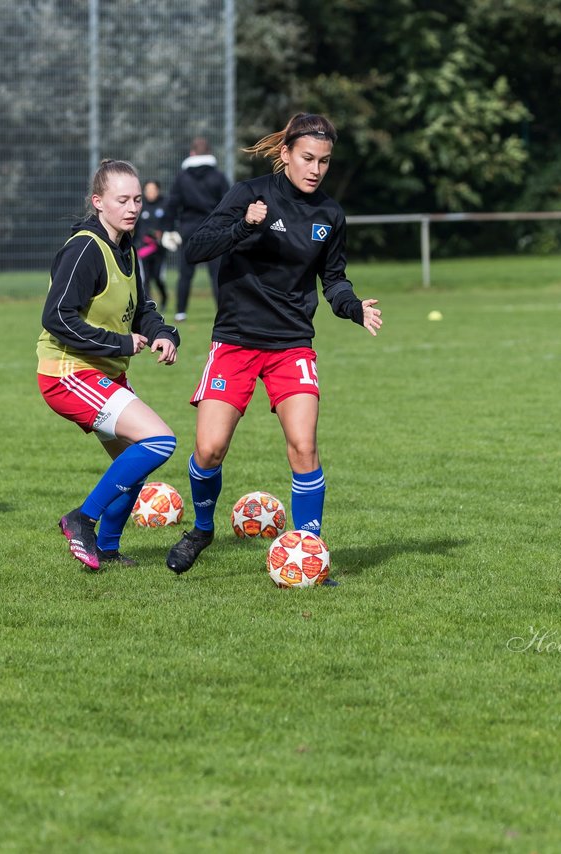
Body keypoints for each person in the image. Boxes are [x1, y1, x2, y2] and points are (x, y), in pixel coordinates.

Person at [165, 113, 383, 580]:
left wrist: (352, 307)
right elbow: (196, 248)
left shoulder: (330, 215)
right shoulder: (249, 195)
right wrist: (244, 226)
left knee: (303, 446)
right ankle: (202, 530)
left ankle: (310, 550)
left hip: (291, 345)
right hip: (236, 341)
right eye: (307, 158)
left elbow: (334, 280)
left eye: (324, 161)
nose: (315, 169)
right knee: (209, 449)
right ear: (284, 154)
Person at [37, 159, 181, 571]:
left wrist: (163, 333)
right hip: (67, 373)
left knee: (137, 459)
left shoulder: (126, 247)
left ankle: (107, 549)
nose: (133, 207)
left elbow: (143, 309)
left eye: (137, 198)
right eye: (122, 200)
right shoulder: (85, 247)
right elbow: (57, 317)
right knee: (159, 441)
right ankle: (82, 518)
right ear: (99, 202)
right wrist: (121, 342)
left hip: (102, 373)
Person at [161, 137, 229, 321]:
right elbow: (228, 203)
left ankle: (180, 312)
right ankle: (223, 313)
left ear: (192, 153)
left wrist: (168, 229)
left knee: (185, 273)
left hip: (189, 230)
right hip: (214, 229)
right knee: (217, 274)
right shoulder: (218, 176)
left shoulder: (182, 178)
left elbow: (172, 204)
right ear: (209, 153)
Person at [135, 179, 168, 308]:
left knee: (158, 277)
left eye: (153, 190)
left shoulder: (165, 204)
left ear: (158, 190)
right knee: (145, 278)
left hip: (159, 249)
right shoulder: (139, 205)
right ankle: (149, 304)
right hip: (144, 249)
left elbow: (170, 223)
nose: (151, 193)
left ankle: (164, 296)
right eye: (148, 190)